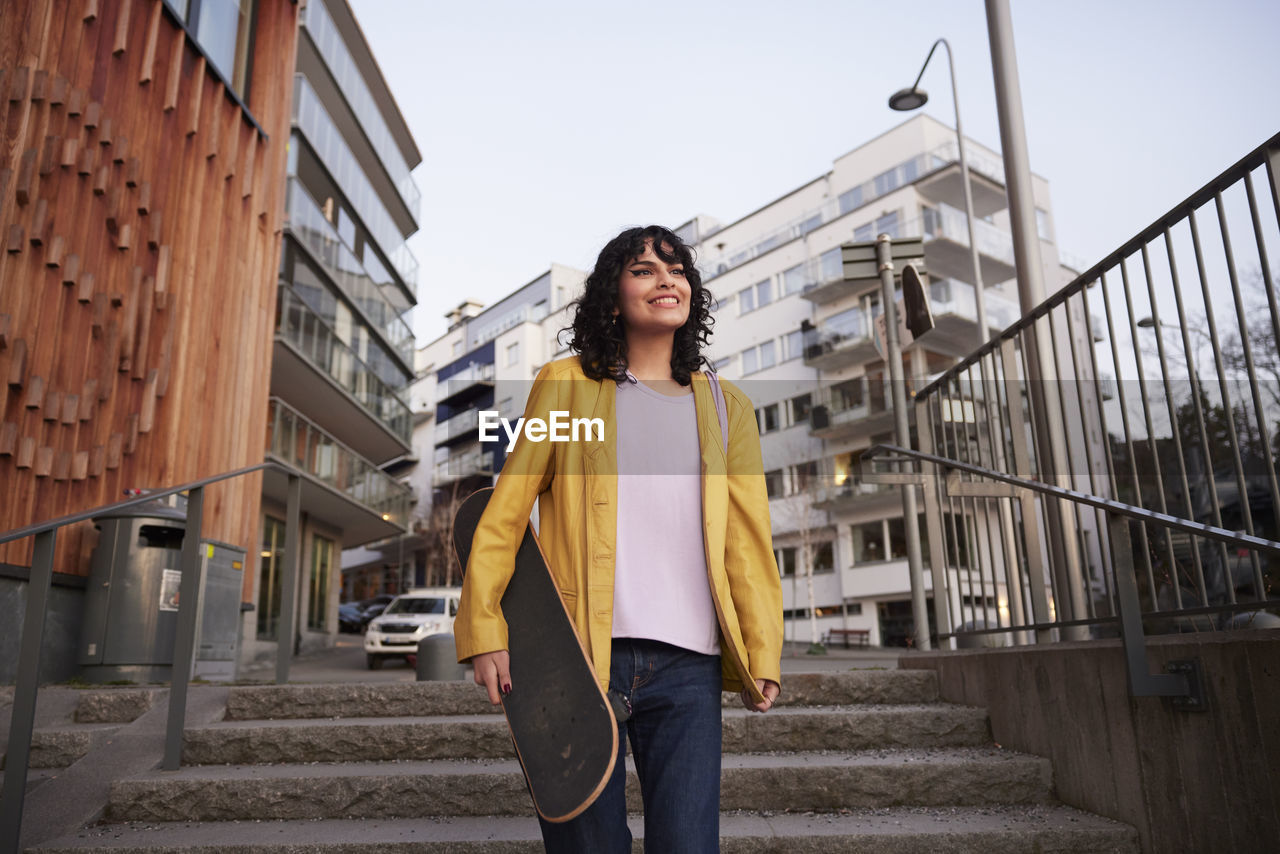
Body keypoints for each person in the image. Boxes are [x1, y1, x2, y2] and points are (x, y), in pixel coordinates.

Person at [455, 225, 783, 853]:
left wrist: (762, 647)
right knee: (587, 845)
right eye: (644, 270)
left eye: (677, 269)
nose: (667, 279)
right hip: (579, 659)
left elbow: (747, 538)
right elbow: (506, 511)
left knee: (688, 844)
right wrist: (484, 629)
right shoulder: (569, 386)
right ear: (612, 297)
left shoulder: (726, 408)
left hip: (689, 664)